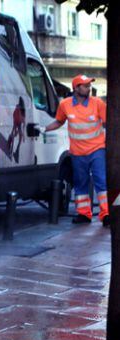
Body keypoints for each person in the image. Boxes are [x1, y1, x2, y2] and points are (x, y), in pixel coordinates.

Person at [44, 74, 108, 226]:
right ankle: (84, 214)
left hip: (97, 149)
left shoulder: (98, 103)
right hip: (77, 152)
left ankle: (106, 214)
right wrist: (43, 129)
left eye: (89, 85)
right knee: (80, 183)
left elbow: (108, 122)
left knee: (101, 181)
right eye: (85, 85)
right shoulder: (65, 104)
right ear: (76, 88)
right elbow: (59, 121)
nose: (88, 88)